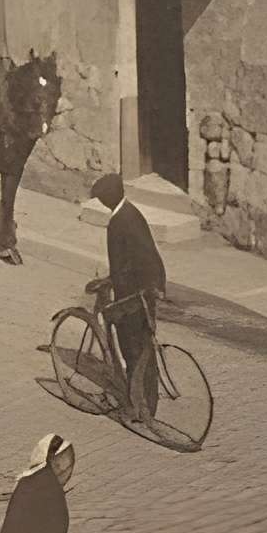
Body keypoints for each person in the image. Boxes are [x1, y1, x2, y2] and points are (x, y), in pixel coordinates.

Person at [88, 172, 167, 419]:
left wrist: (126, 288)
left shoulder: (120, 220)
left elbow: (140, 258)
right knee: (141, 348)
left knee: (133, 348)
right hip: (141, 290)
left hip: (134, 295)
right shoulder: (129, 212)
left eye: (101, 198)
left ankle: (137, 408)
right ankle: (147, 404)